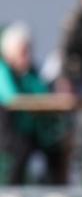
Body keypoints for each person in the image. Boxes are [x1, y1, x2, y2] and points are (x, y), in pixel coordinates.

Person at [0, 23, 69, 184]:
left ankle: (56, 192)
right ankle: (12, 192)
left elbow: (43, 92)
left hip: (31, 131)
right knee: (22, 148)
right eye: (23, 51)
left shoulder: (31, 72)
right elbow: (11, 98)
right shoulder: (3, 71)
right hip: (7, 131)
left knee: (55, 146)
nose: (27, 56)